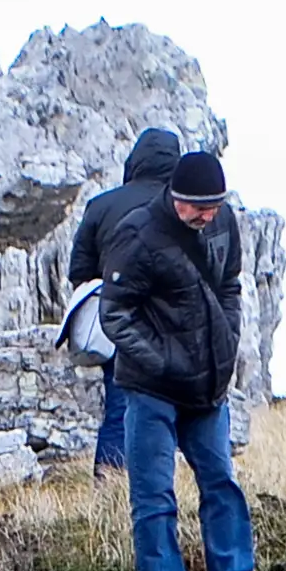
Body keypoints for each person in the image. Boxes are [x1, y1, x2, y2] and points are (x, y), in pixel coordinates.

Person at [99, 149, 274, 571]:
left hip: (208, 388)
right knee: (154, 493)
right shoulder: (136, 234)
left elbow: (230, 284)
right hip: (151, 389)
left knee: (221, 482)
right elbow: (114, 313)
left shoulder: (222, 223)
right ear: (175, 196)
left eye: (214, 205)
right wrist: (160, 362)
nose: (208, 214)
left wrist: (228, 339)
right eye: (199, 206)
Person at [64, 126, 186, 481]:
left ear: (136, 161)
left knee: (119, 406)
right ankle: (157, 487)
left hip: (118, 323)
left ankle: (111, 487)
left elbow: (80, 272)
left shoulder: (101, 205)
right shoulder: (181, 208)